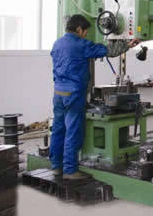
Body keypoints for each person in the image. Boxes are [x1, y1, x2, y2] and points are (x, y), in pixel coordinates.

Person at [50, 14, 139, 180]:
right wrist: (127, 45)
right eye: (85, 32)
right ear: (79, 29)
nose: (85, 35)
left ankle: (56, 166)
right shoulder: (80, 44)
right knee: (72, 131)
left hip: (58, 93)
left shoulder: (57, 43)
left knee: (58, 129)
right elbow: (107, 51)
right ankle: (70, 170)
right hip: (74, 94)